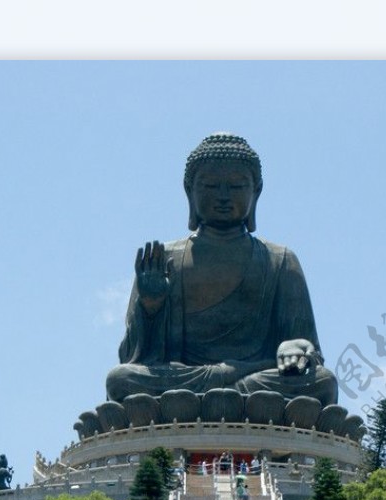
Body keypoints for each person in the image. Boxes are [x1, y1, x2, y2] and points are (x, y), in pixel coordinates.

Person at [104, 133, 339, 405]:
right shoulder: (165, 258)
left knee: (322, 382)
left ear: (256, 191)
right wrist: (150, 307)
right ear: (189, 190)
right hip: (183, 381)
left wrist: (294, 347)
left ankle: (210, 402)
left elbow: (306, 349)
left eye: (237, 186)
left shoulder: (280, 260)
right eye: (211, 186)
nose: (224, 196)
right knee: (120, 379)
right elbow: (132, 357)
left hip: (254, 378)